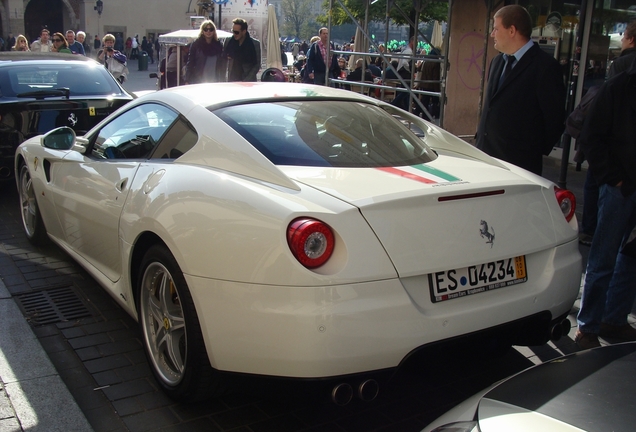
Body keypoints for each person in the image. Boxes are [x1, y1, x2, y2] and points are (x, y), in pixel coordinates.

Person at [574, 56, 636, 350]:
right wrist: (614, 178)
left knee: (632, 256)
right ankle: (588, 326)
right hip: (619, 186)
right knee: (604, 256)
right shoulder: (619, 86)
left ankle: (615, 317)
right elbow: (591, 137)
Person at [475, 5, 565, 176]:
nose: (492, 34)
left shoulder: (545, 67)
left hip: (519, 163)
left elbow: (554, 118)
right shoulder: (497, 62)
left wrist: (530, 150)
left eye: (495, 29)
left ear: (512, 31)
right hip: (487, 157)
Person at [579, 21, 636, 246]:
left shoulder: (621, 66)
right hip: (619, 176)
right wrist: (613, 177)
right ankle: (590, 228)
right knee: (607, 252)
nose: (622, 40)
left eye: (623, 37)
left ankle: (590, 229)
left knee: (619, 257)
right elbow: (593, 131)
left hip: (619, 175)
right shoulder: (622, 76)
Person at [223, 18, 261, 82]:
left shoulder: (255, 44)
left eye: (237, 32)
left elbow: (257, 65)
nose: (234, 34)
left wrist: (247, 80)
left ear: (244, 31)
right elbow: (223, 59)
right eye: (233, 31)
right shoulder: (228, 41)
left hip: (248, 81)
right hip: (232, 79)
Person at [391, 36, 417, 110]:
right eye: (416, 42)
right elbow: (405, 62)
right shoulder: (409, 51)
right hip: (405, 73)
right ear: (412, 42)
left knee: (405, 91)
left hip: (402, 72)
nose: (417, 44)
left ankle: (407, 109)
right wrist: (410, 71)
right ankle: (393, 104)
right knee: (406, 91)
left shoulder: (405, 49)